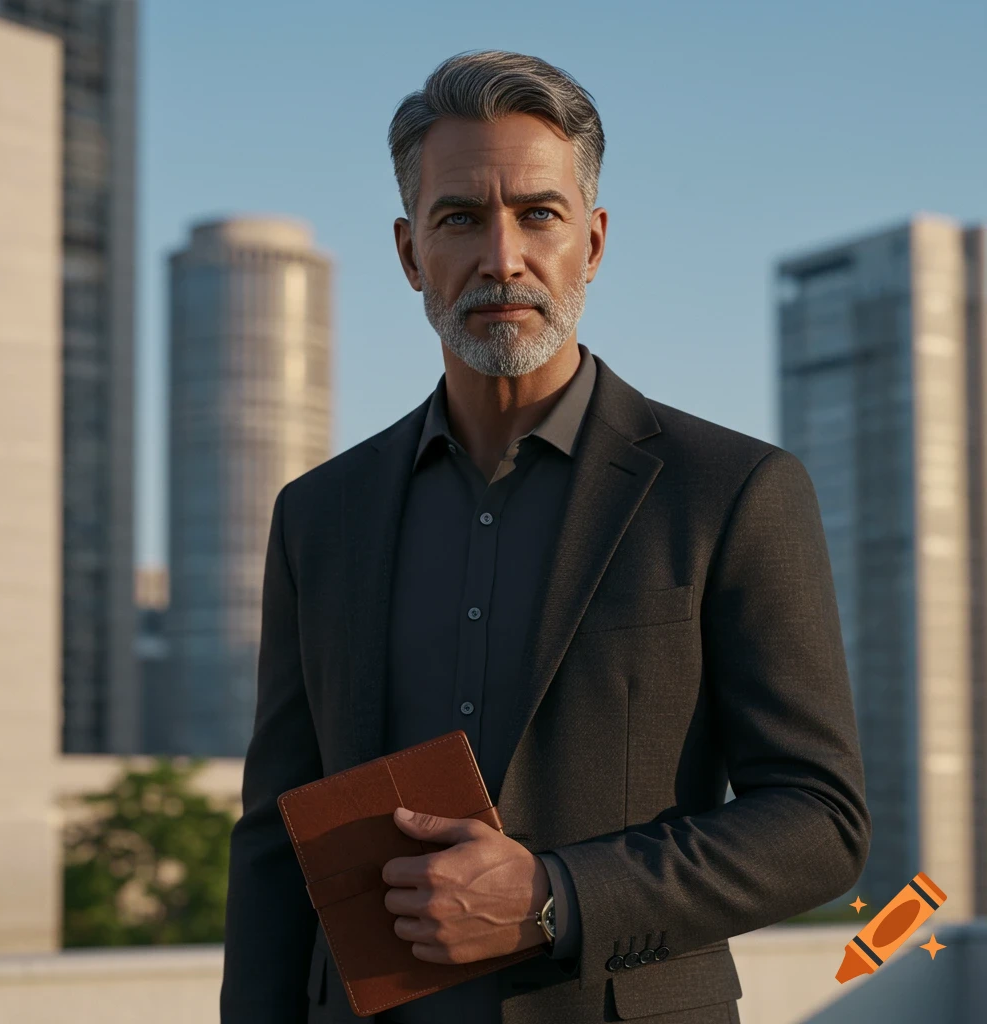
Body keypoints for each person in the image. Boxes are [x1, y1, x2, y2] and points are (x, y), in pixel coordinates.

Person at [220, 49, 871, 1024]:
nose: (502, 258)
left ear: (592, 242)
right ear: (409, 254)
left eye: (538, 214)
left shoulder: (732, 491)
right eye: (458, 218)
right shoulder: (318, 514)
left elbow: (821, 822)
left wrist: (554, 896)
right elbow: (277, 840)